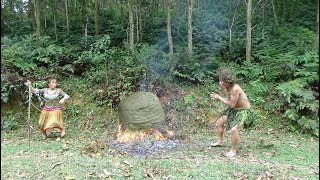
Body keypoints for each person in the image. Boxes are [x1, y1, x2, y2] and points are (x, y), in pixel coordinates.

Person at [210, 68, 254, 157]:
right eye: (220, 81)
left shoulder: (235, 89)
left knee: (234, 129)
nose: (221, 83)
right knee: (219, 122)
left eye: (223, 81)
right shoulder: (227, 88)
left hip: (244, 112)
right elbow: (229, 100)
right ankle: (220, 142)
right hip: (234, 110)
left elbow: (231, 104)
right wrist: (221, 94)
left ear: (229, 81)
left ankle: (233, 151)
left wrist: (219, 97)